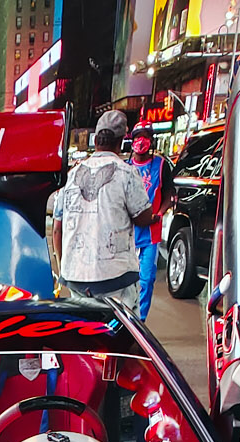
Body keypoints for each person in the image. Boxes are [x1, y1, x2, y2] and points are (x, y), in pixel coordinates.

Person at [58, 109, 158, 303]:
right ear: (120, 142)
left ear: (96, 141)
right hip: (115, 277)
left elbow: (57, 228)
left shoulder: (71, 175)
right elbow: (143, 217)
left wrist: (65, 265)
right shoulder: (126, 173)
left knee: (83, 328)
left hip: (75, 276)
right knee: (121, 330)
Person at [128, 126, 173, 320]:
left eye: (145, 137)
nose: (141, 141)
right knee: (126, 280)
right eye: (138, 137)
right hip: (128, 233)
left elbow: (170, 194)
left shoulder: (161, 165)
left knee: (146, 279)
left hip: (151, 233)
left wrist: (160, 212)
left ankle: (141, 319)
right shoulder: (126, 167)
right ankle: (126, 317)